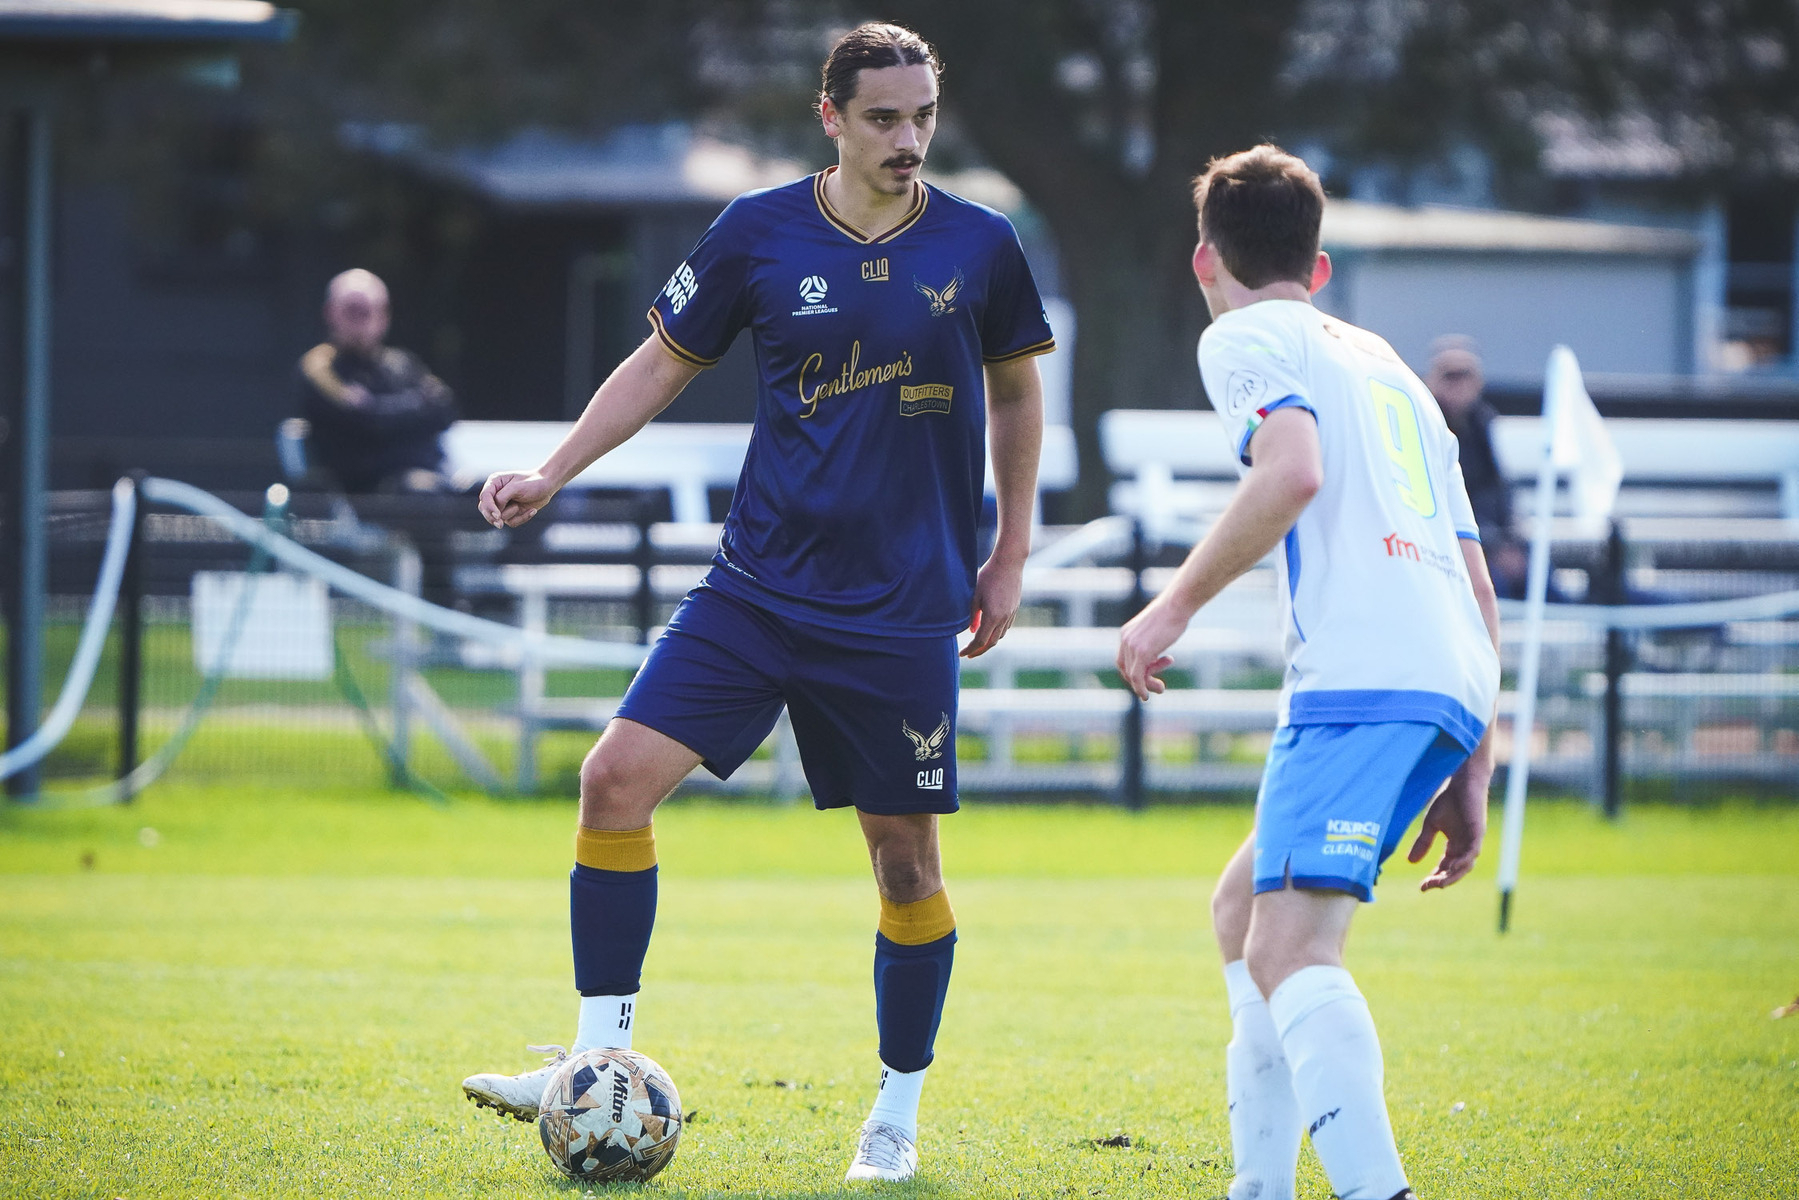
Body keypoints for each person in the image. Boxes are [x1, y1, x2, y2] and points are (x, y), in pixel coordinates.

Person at [461, 22, 1053, 1184]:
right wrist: (553, 468)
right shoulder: (757, 232)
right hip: (758, 590)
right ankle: (593, 1062)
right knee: (611, 782)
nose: (908, 139)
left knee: (903, 872)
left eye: (923, 116)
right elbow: (659, 367)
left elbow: (1019, 398)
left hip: (897, 612)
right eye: (883, 118)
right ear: (828, 118)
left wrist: (1009, 556)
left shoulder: (980, 245)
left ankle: (894, 1113)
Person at [1116, 146, 1500, 1200]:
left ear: (1204, 260)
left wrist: (1171, 603)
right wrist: (1472, 757)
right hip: (1441, 682)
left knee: (1288, 950)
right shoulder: (1393, 371)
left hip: (1359, 681)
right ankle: (1257, 1188)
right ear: (1318, 264)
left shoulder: (1243, 333)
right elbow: (1475, 581)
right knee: (1240, 911)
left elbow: (1289, 470)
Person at [295, 269, 456, 493]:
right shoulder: (319, 367)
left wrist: (380, 408)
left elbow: (443, 410)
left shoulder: (403, 363)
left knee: (500, 493)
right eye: (352, 311)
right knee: (423, 492)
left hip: (430, 476)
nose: (361, 320)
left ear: (384, 315)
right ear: (330, 313)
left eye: (368, 311)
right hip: (368, 490)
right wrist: (415, 407)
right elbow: (364, 423)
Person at [1424, 335, 1527, 597]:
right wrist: (1491, 546)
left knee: (1541, 578)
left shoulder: (1487, 426)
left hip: (1493, 538)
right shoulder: (1426, 426)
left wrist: (1509, 540)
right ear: (1431, 381)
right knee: (1492, 587)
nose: (1459, 384)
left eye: (1466, 375)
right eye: (1450, 375)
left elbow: (1501, 491)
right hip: (1450, 543)